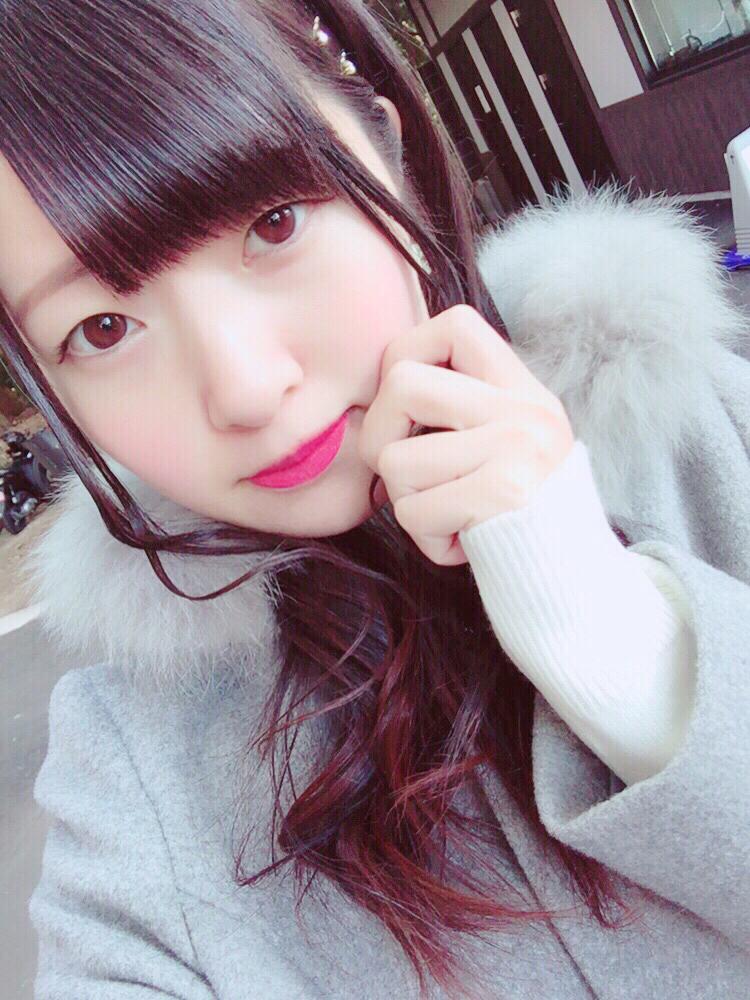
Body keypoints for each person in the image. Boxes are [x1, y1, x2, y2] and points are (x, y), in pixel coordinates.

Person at [0, 1, 748, 998]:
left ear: (387, 150)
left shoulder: (705, 428)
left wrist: (629, 644)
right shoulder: (135, 769)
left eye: (274, 222)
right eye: (100, 329)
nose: (245, 388)